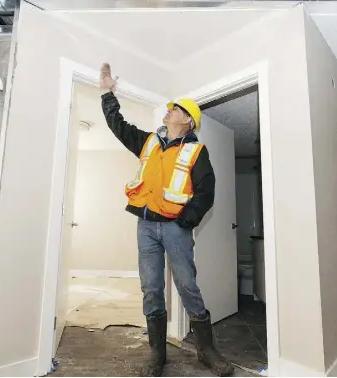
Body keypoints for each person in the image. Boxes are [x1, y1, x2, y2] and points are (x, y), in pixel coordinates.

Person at [99, 63, 234, 377]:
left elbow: (206, 191)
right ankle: (157, 353)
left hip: (175, 227)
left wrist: (186, 220)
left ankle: (207, 349)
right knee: (151, 288)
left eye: (175, 108)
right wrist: (108, 93)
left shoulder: (196, 151)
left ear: (186, 120)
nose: (169, 110)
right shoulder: (148, 142)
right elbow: (118, 125)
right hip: (145, 226)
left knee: (187, 285)